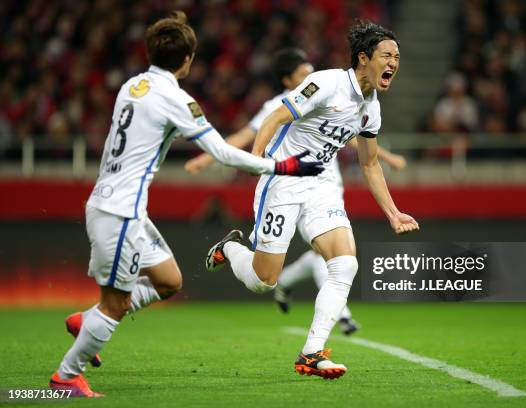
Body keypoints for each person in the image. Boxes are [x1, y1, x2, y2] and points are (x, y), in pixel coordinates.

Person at [48, 11, 323, 398]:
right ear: (189, 59)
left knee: (168, 280)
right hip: (121, 213)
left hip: (117, 205)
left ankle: (87, 321)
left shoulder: (132, 85)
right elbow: (225, 154)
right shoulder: (176, 100)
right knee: (116, 303)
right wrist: (284, 165)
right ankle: (65, 376)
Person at [206, 21, 419, 380]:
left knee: (345, 263)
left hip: (320, 184)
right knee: (264, 281)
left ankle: (311, 353)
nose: (393, 62)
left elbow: (369, 163)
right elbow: (275, 117)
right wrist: (261, 163)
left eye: (397, 57)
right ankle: (231, 249)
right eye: (387, 55)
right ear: (364, 58)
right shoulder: (326, 83)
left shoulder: (372, 108)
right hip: (284, 181)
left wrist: (393, 212)